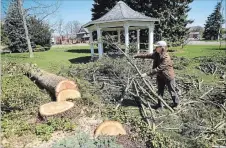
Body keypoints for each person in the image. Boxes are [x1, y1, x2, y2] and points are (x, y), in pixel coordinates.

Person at [134, 41, 179, 109]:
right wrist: (137, 55)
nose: (156, 48)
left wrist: (146, 74)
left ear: (162, 48)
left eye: (157, 47)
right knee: (160, 91)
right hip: (160, 76)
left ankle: (176, 104)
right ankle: (159, 105)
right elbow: (147, 55)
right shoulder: (156, 54)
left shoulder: (166, 57)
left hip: (168, 76)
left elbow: (159, 68)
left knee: (172, 91)